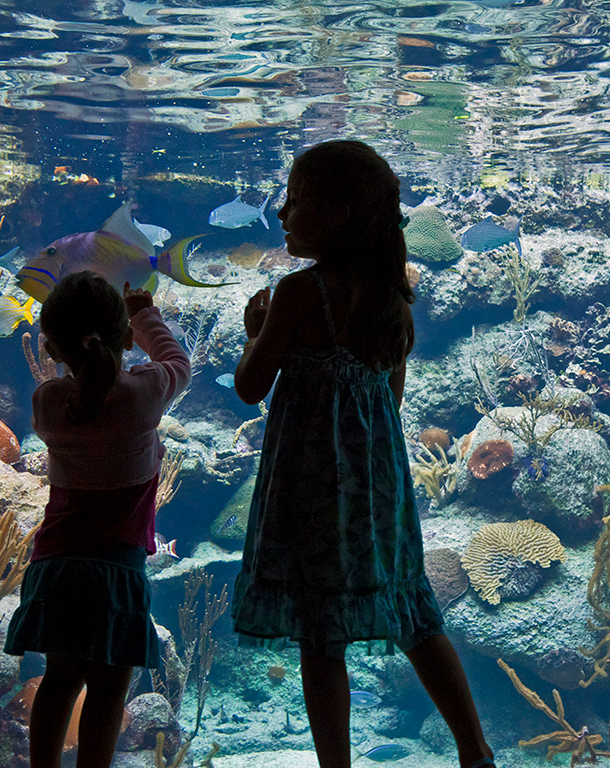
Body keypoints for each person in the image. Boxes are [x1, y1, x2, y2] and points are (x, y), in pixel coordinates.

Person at [231, 140, 496, 768]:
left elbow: (247, 387)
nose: (282, 213)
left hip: (308, 488)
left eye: (295, 201)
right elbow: (391, 400)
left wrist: (256, 330)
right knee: (412, 610)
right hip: (378, 488)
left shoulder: (298, 295)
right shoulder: (389, 297)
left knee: (321, 636)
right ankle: (475, 750)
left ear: (340, 214)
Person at [4, 272, 191, 768]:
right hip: (117, 567)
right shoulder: (141, 396)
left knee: (61, 678)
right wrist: (144, 314)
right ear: (126, 338)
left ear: (50, 347)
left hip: (57, 564)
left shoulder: (48, 403)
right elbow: (177, 363)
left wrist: (123, 329)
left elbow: (85, 387)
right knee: (111, 686)